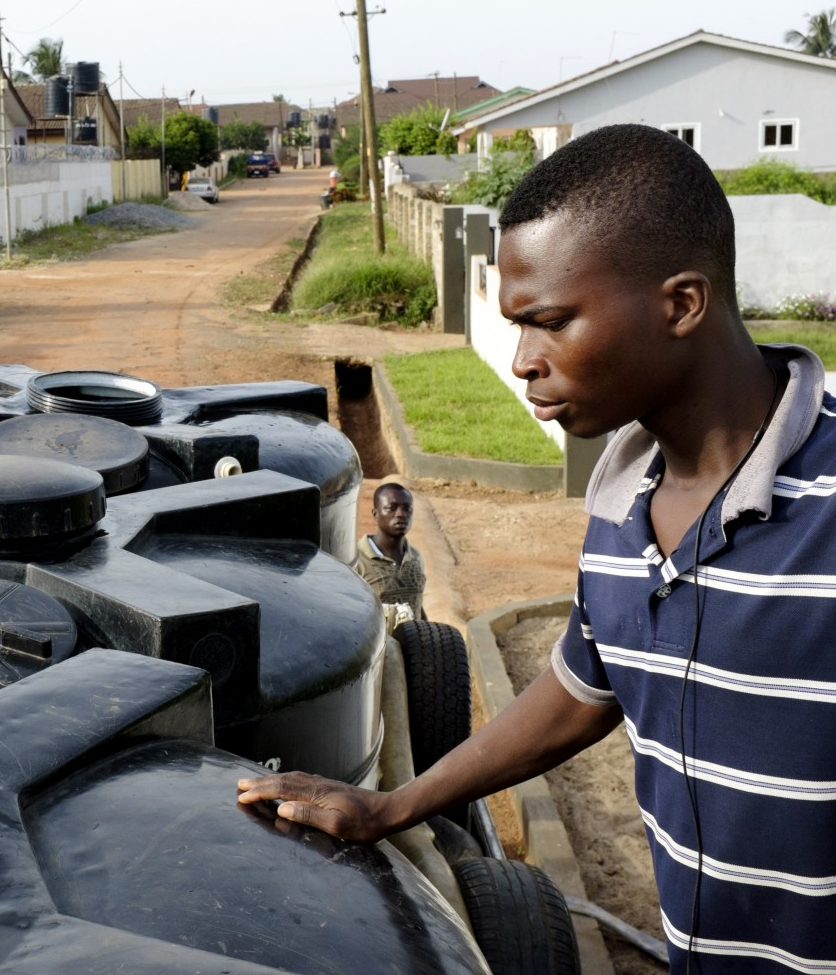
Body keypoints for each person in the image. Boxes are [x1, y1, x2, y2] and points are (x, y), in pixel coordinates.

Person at [238, 123, 835, 973]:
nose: (523, 360)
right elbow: (583, 687)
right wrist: (390, 805)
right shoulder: (625, 501)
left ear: (681, 304)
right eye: (518, 325)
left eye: (550, 322)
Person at [354, 482, 425, 627]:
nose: (400, 514)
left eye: (407, 509)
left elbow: (418, 605)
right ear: (376, 514)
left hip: (413, 646)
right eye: (391, 508)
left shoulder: (415, 557)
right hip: (377, 648)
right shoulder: (356, 560)